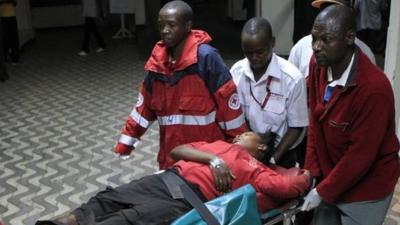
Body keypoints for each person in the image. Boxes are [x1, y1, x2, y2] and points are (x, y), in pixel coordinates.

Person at [35, 131, 311, 225]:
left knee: (122, 222)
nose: (240, 134)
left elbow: (288, 185)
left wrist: (309, 173)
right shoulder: (216, 145)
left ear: (261, 147)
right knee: (101, 202)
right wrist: (212, 159)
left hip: (187, 200)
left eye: (248, 134)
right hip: (164, 179)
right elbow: (176, 150)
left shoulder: (255, 168)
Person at [114, 0, 247, 169]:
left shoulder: (206, 59)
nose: (165, 31)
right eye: (161, 25)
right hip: (171, 159)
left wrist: (238, 155)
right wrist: (126, 143)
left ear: (187, 26)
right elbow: (144, 109)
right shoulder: (157, 64)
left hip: (206, 160)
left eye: (171, 25)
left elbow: (230, 110)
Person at [301, 5, 400, 225]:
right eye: (314, 38)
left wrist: (323, 191)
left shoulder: (374, 89)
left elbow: (360, 157)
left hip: (367, 187)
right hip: (334, 173)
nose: (316, 47)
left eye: (326, 40)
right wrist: (311, 171)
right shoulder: (318, 64)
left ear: (349, 38)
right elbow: (315, 122)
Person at [230, 17, 308, 168]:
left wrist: (273, 159)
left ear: (272, 43)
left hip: (282, 155)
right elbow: (234, 115)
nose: (254, 58)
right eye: (248, 52)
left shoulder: (292, 78)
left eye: (260, 52)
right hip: (248, 153)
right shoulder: (236, 72)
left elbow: (297, 126)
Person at [288, 0, 376, 78]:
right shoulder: (301, 47)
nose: (327, 14)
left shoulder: (365, 53)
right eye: (324, 9)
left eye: (334, 9)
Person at [0, 0, 19, 64]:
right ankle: (5, 58)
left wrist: (5, 1)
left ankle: (15, 59)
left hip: (12, 18)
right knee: (4, 40)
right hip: (3, 19)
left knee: (14, 39)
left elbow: (14, 3)